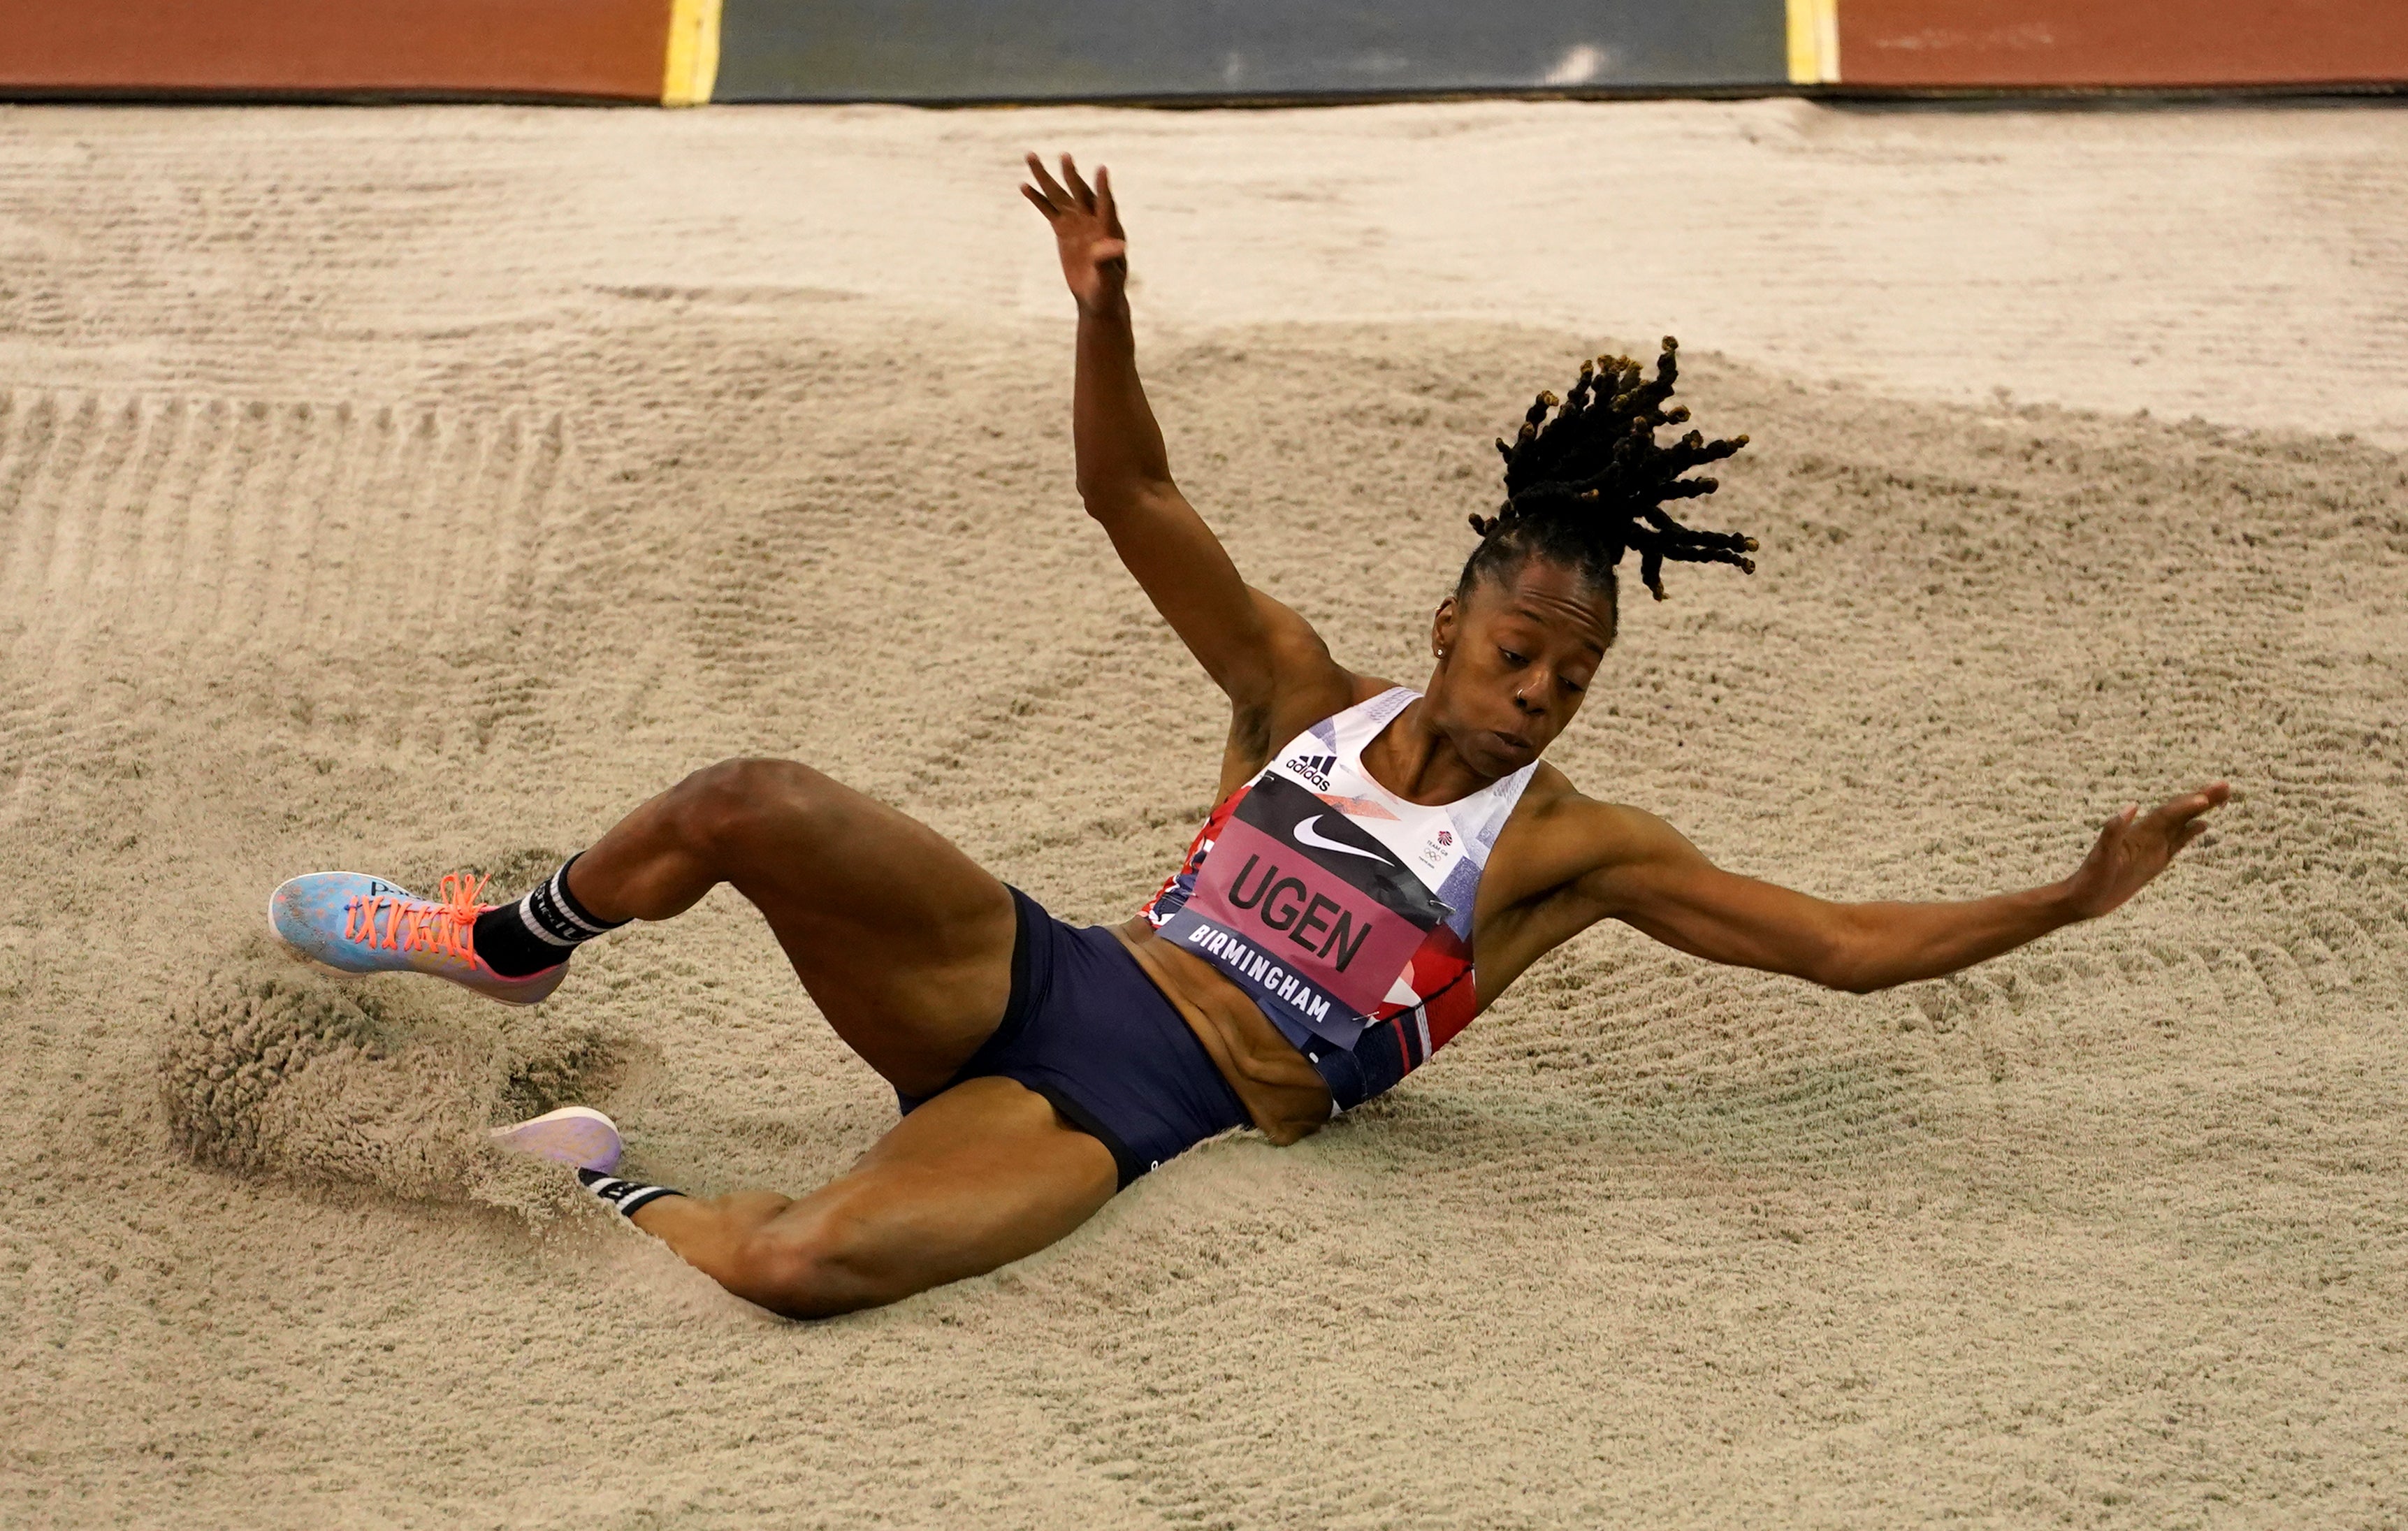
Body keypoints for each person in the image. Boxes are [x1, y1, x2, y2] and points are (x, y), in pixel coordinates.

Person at [268, 154, 2228, 1319]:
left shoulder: (1570, 852)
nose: (1537, 691)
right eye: (1515, 650)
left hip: (1138, 1107)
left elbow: (1839, 948)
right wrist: (1105, 309)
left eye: (1572, 677)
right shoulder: (1301, 694)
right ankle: (509, 946)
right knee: (747, 800)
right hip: (1037, 973)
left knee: (800, 1270)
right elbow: (1135, 503)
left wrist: (2072, 894)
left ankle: (598, 1174)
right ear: (1447, 628)